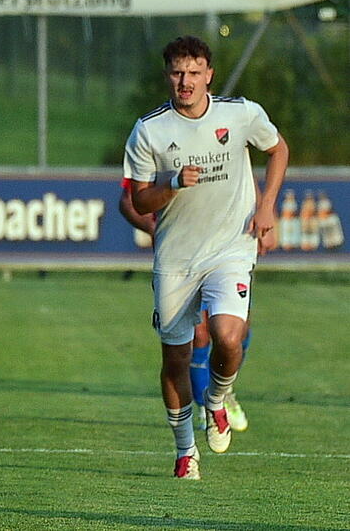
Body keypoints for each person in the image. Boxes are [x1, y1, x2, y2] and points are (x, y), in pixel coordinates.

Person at [124, 35, 288, 480]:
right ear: (168, 77)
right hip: (176, 256)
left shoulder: (240, 114)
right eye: (178, 73)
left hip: (231, 246)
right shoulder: (150, 130)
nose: (186, 81)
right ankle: (185, 451)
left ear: (209, 75)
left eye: (194, 72)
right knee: (175, 359)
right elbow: (139, 202)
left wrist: (267, 204)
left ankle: (217, 397)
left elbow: (277, 149)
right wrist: (172, 183)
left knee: (227, 335)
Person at [119, 179, 252, 433]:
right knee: (198, 336)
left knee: (236, 332)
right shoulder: (155, 142)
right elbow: (128, 198)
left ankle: (223, 392)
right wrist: (151, 226)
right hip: (182, 254)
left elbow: (250, 171)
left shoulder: (230, 143)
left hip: (228, 248)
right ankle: (205, 408)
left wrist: (268, 209)